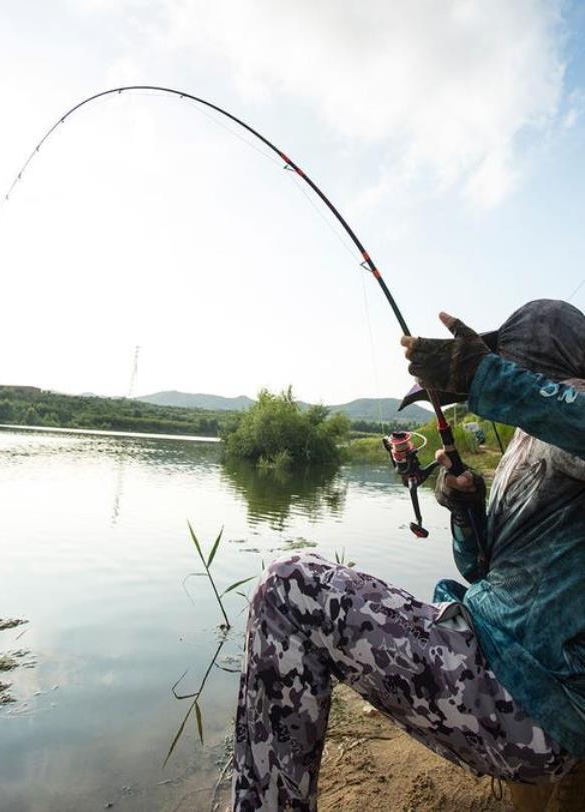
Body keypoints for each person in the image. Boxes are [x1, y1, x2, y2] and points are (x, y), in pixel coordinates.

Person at [231, 299, 585, 811]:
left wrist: (488, 376)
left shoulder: (570, 405)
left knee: (289, 586)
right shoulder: (530, 440)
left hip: (523, 696)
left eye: (508, 357)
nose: (501, 368)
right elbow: (481, 571)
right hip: (502, 670)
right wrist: (467, 510)